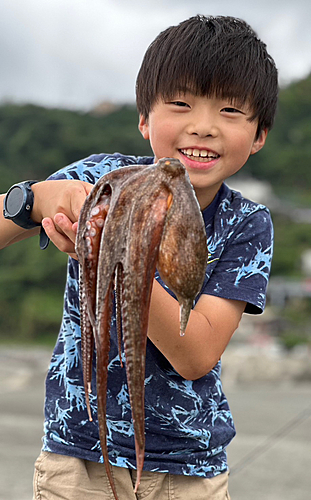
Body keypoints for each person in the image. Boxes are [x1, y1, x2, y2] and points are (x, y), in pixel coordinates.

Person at [0, 14, 277, 500]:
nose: (203, 126)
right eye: (180, 103)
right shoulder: (103, 176)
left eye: (231, 112)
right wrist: (41, 198)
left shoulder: (246, 224)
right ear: (145, 118)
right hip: (78, 458)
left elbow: (195, 355)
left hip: (189, 470)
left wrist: (119, 249)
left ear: (259, 136)